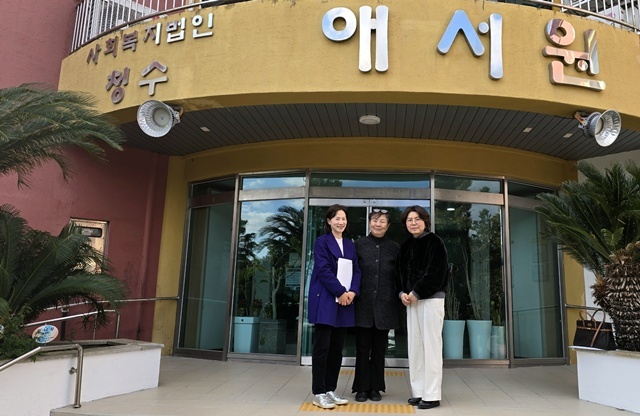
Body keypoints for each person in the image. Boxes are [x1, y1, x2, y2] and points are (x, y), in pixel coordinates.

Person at [307, 204, 361, 410]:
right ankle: (319, 392)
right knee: (322, 348)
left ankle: (330, 388)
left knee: (337, 349)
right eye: (337, 218)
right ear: (329, 221)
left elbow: (356, 270)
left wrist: (352, 292)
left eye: (344, 218)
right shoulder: (322, 242)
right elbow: (324, 270)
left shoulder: (349, 244)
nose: (341, 222)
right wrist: (340, 292)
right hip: (327, 299)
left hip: (345, 301)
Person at [395, 205, 449, 410]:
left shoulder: (435, 242)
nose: (413, 223)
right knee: (415, 347)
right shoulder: (406, 246)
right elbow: (398, 274)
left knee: (431, 347)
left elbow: (437, 272)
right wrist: (401, 293)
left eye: (417, 219)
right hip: (411, 302)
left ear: (425, 221)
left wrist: (416, 292)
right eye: (409, 220)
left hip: (431, 300)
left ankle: (432, 394)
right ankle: (419, 391)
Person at [352, 208, 400, 402]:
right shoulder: (358, 245)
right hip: (362, 304)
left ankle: (376, 388)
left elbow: (399, 276)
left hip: (385, 305)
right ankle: (361, 388)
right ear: (369, 223)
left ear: (388, 226)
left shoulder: (395, 247)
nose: (378, 224)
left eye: (382, 221)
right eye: (374, 220)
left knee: (379, 350)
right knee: (362, 348)